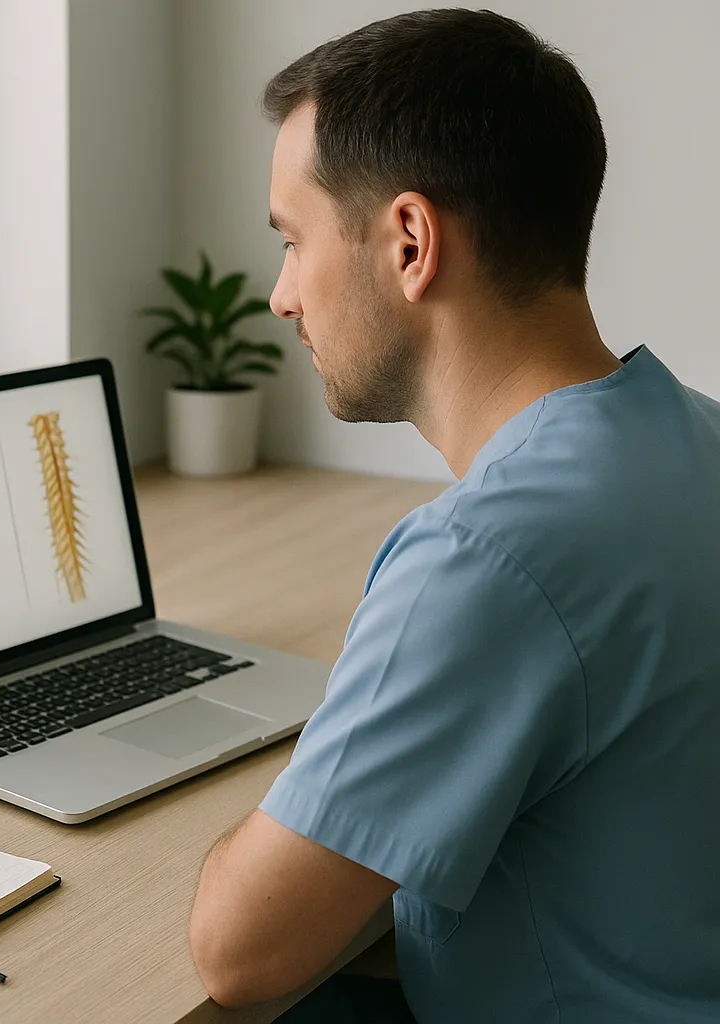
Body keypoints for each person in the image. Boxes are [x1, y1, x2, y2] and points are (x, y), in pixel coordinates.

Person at [187, 9, 720, 1023]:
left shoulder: (489, 554)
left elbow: (238, 953)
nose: (281, 296)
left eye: (293, 241)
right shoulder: (698, 436)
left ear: (410, 242)